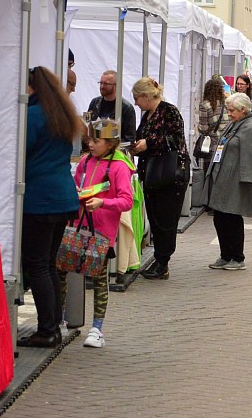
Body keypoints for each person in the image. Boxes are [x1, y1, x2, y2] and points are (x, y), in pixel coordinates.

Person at [19, 66, 85, 348]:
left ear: (32, 88)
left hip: (40, 199)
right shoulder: (62, 114)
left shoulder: (33, 115)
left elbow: (19, 152)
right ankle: (53, 325)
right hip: (62, 196)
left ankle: (47, 329)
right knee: (48, 264)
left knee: (37, 266)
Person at [74, 121, 135, 348]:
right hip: (77, 227)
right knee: (63, 271)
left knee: (99, 279)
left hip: (101, 233)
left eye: (96, 141)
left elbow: (126, 201)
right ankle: (62, 319)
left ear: (110, 144)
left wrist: (103, 202)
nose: (90, 144)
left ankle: (97, 329)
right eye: (89, 139)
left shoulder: (119, 167)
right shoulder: (85, 161)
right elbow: (75, 182)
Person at [129, 78, 188, 280]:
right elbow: (142, 138)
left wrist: (149, 143)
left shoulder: (169, 111)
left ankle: (163, 262)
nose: (136, 103)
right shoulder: (148, 115)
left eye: (137, 98)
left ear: (146, 96)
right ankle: (160, 259)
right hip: (153, 173)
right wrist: (137, 145)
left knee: (165, 219)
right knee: (155, 217)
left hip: (170, 174)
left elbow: (176, 139)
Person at [205, 93, 252, 270]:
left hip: (236, 180)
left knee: (232, 218)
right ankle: (225, 255)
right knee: (220, 218)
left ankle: (238, 257)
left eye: (231, 110)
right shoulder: (235, 124)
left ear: (243, 110)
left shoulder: (250, 129)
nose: (228, 113)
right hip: (224, 178)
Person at [86, 70, 136, 143]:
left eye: (106, 84)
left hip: (115, 152)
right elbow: (87, 126)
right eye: (101, 83)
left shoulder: (126, 108)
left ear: (116, 85)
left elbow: (130, 138)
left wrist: (109, 145)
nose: (102, 86)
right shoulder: (94, 103)